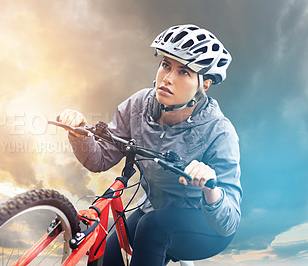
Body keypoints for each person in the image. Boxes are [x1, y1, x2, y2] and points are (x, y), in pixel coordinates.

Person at [58, 24, 242, 266]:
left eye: (184, 72)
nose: (167, 78)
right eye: (166, 65)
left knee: (153, 227)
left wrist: (211, 188)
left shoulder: (219, 131)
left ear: (204, 84)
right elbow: (99, 159)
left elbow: (229, 221)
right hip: (153, 209)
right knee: (108, 252)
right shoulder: (138, 106)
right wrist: (80, 134)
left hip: (206, 225)